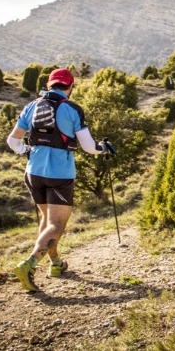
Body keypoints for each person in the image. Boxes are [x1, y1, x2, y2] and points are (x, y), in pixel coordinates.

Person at [7, 68, 112, 292]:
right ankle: (29, 264)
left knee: (47, 221)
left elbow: (12, 140)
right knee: (57, 224)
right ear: (71, 87)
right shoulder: (72, 109)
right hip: (60, 174)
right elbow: (88, 147)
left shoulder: (31, 106)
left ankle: (55, 264)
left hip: (33, 171)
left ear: (49, 84)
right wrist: (103, 149)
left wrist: (26, 151)